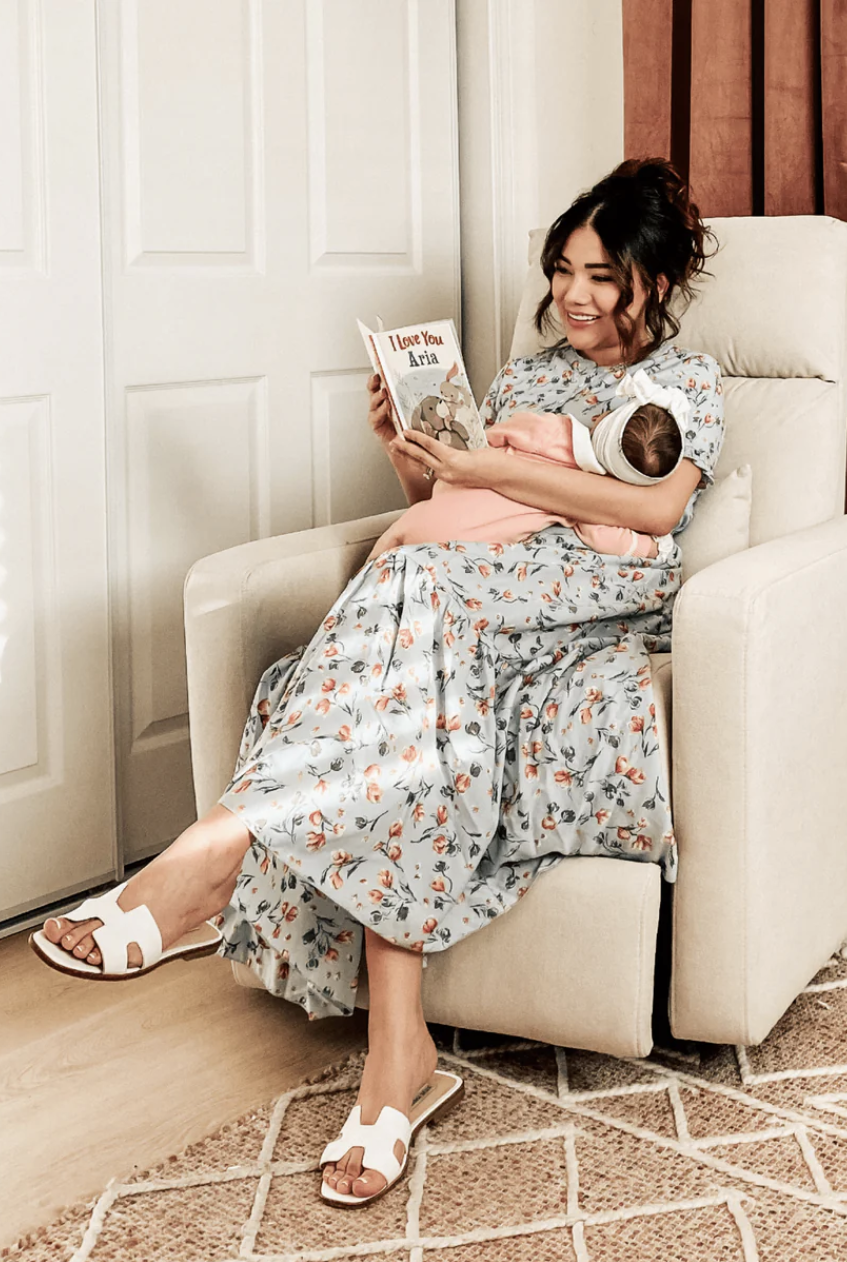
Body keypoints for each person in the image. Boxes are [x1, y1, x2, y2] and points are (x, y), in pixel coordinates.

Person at [29, 157, 724, 1207]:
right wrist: (408, 451)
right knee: (417, 674)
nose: (575, 294)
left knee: (409, 578)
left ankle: (217, 847)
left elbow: (653, 512)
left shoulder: (678, 386)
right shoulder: (528, 374)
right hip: (463, 581)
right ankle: (398, 1056)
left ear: (654, 282)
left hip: (582, 593)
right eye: (563, 269)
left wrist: (488, 474)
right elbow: (451, 499)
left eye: (602, 273)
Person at [368, 367, 690, 561]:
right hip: (466, 546)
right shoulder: (588, 500)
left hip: (428, 516)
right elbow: (605, 538)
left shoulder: (551, 428)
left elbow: (491, 439)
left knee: (371, 576)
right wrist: (652, 549)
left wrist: (483, 448)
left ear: (607, 418)